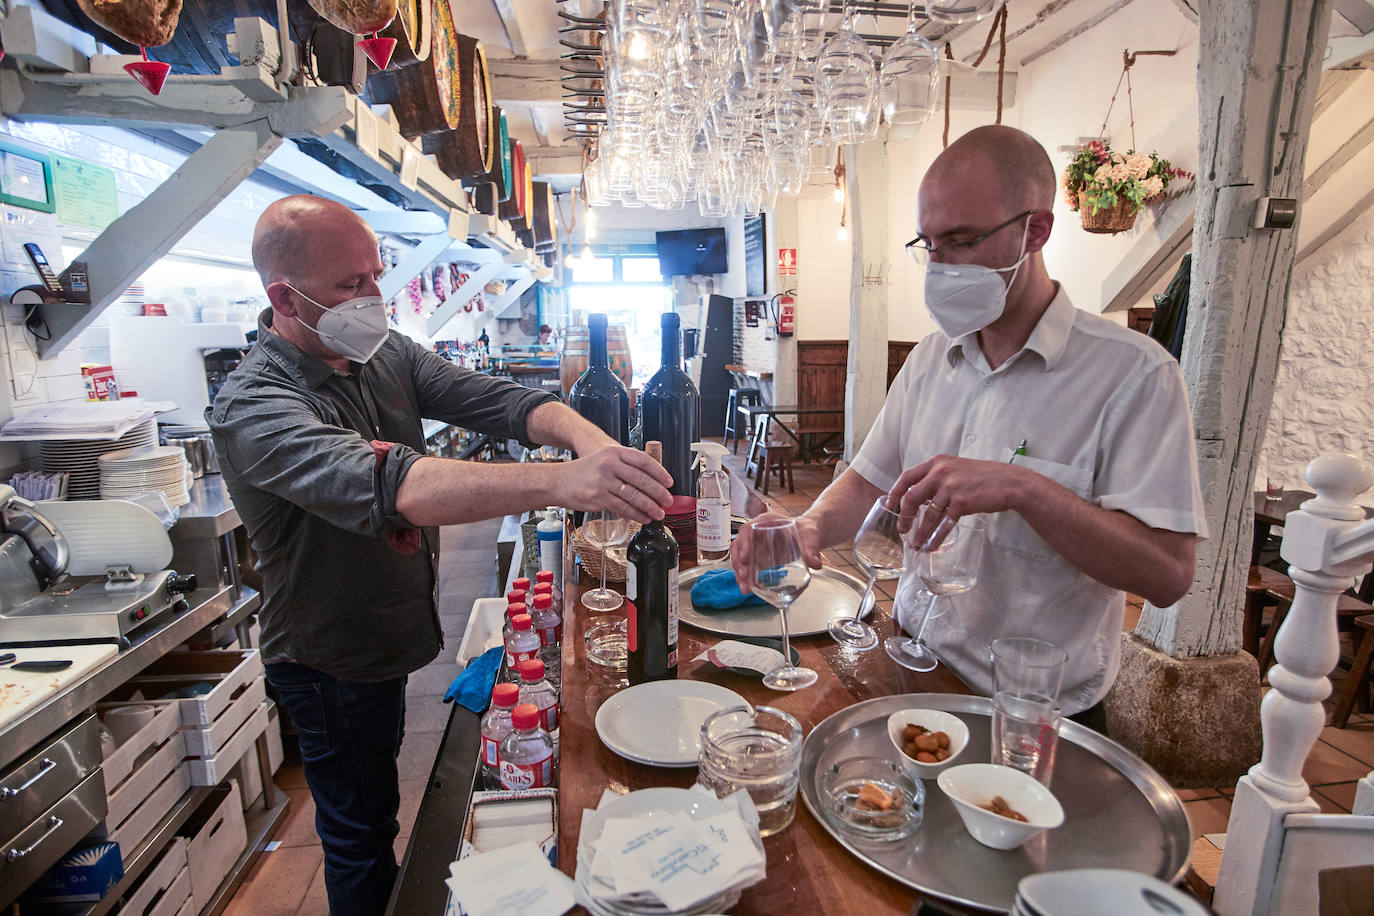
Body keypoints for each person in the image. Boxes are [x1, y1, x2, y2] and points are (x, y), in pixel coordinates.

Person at [208, 196, 672, 916]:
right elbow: (398, 485)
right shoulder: (257, 406)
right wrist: (562, 478)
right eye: (348, 285)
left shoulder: (379, 354)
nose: (372, 298)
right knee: (361, 836)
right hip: (329, 660)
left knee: (380, 806)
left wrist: (589, 439)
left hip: (387, 635)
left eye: (375, 275)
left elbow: (500, 402)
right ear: (283, 298)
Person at [732, 126, 1206, 725]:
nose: (940, 266)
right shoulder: (932, 359)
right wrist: (808, 527)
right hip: (908, 662)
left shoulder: (1134, 375)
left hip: (1032, 711)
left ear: (1035, 230)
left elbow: (1167, 574)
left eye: (961, 240)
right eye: (928, 244)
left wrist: (1024, 489)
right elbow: (871, 478)